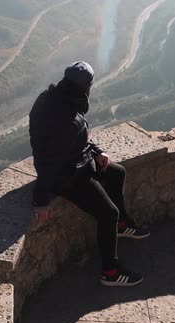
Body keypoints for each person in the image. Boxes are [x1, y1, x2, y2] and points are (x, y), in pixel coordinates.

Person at [28, 61, 150, 287]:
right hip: (66, 178)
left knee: (117, 173)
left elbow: (72, 139)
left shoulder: (50, 99)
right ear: (86, 87)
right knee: (108, 213)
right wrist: (41, 200)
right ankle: (110, 272)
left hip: (74, 164)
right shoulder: (68, 118)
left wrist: (95, 151)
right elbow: (50, 160)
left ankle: (121, 226)